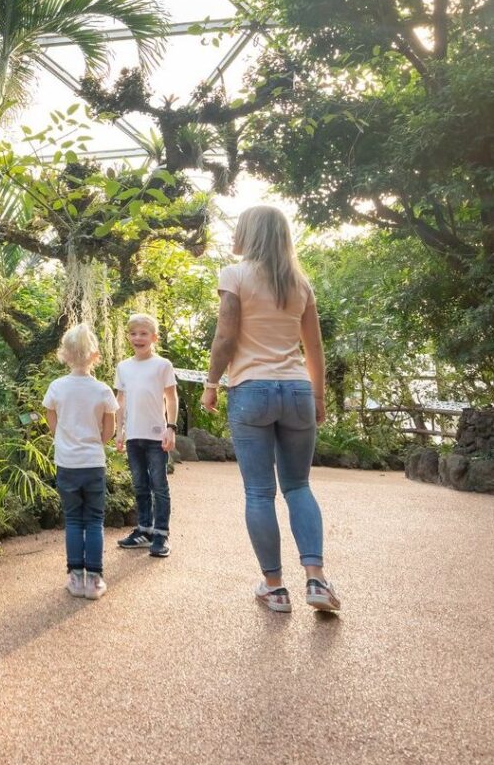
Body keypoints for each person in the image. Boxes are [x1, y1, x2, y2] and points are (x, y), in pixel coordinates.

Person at [201, 205, 341, 613]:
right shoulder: (300, 282)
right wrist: (318, 397)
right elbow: (313, 346)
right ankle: (316, 580)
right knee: (298, 486)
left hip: (251, 389)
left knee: (260, 492)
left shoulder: (235, 275)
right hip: (297, 390)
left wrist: (211, 384)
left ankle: (275, 588)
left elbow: (225, 336)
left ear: (250, 233)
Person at [43, 323, 118, 600]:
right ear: (95, 355)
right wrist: (97, 441)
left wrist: (62, 438)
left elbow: (51, 418)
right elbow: (109, 431)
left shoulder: (57, 387)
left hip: (67, 462)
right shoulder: (102, 390)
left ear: (64, 354)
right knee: (94, 520)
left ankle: (75, 578)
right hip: (93, 462)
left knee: (73, 519)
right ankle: (94, 580)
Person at [114, 313, 178, 558]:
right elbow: (120, 400)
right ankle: (144, 530)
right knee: (140, 485)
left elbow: (171, 397)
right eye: (133, 333)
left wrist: (170, 427)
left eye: (143, 333)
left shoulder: (162, 365)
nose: (138, 338)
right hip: (133, 436)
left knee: (159, 486)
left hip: (156, 435)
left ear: (154, 338)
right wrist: (119, 431)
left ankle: (161, 534)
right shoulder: (123, 367)